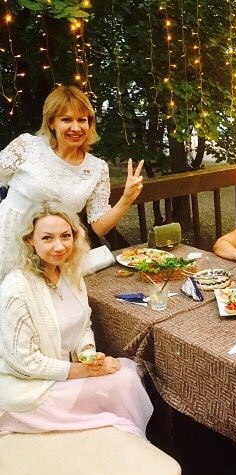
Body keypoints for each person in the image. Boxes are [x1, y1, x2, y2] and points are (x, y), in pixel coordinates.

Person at [0, 201, 153, 438]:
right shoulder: (16, 289)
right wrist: (85, 371)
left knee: (126, 375)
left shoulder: (69, 273)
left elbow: (83, 325)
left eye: (65, 236)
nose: (59, 246)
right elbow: (25, 364)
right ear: (30, 239)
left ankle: (130, 443)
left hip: (63, 375)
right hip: (30, 391)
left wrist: (89, 354)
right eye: (47, 238)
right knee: (123, 386)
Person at [0, 85, 144, 281]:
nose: (76, 128)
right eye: (66, 120)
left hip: (55, 252)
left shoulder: (97, 168)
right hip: (9, 242)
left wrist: (127, 199)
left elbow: (99, 227)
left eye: (82, 120)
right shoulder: (27, 146)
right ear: (52, 122)